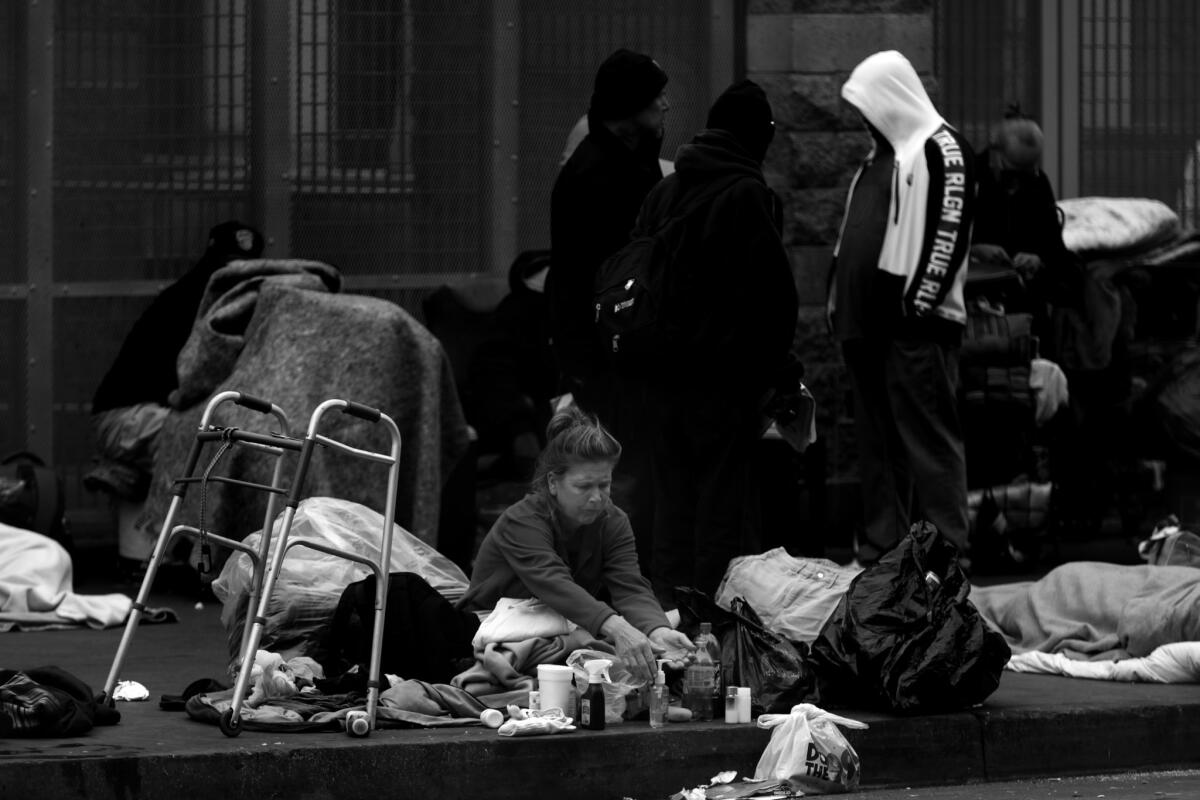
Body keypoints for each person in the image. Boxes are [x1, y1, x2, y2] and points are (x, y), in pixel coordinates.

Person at [635, 79, 799, 604]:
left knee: (671, 502)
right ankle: (711, 620)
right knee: (720, 507)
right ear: (755, 135)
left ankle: (666, 613)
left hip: (658, 378)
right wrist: (780, 373)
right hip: (720, 382)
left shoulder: (664, 191)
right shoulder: (747, 194)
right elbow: (771, 299)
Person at [826, 50, 977, 566]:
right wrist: (836, 301)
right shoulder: (880, 158)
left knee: (928, 442)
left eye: (868, 106)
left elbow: (946, 234)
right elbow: (854, 234)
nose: (864, 119)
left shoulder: (941, 149)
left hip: (916, 326)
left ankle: (947, 558)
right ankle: (885, 553)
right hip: (868, 326)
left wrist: (917, 305)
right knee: (879, 446)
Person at [457, 405, 693, 683]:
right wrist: (617, 628)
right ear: (553, 483)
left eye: (604, 485)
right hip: (492, 630)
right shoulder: (521, 520)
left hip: (563, 628)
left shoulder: (613, 520)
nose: (597, 497)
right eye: (584, 487)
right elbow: (554, 582)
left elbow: (629, 586)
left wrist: (657, 630)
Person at [547, 48, 670, 578]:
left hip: (623, 350)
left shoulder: (628, 161)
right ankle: (610, 581)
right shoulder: (598, 174)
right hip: (606, 353)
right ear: (631, 105)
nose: (665, 103)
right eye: (654, 95)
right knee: (616, 473)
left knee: (627, 470)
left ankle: (622, 578)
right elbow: (583, 276)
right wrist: (583, 362)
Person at [84, 220, 264, 574]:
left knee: (212, 437)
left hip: (139, 414)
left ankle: (175, 554)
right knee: (210, 445)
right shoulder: (198, 302)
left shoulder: (206, 298)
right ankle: (201, 562)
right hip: (127, 415)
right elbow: (196, 384)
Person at [971, 106, 1081, 344]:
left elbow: (1054, 245)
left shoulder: (1038, 183)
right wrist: (975, 249)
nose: (1016, 184)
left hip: (1026, 291)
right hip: (977, 291)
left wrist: (1038, 258)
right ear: (994, 154)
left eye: (1024, 175)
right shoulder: (969, 180)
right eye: (1011, 175)